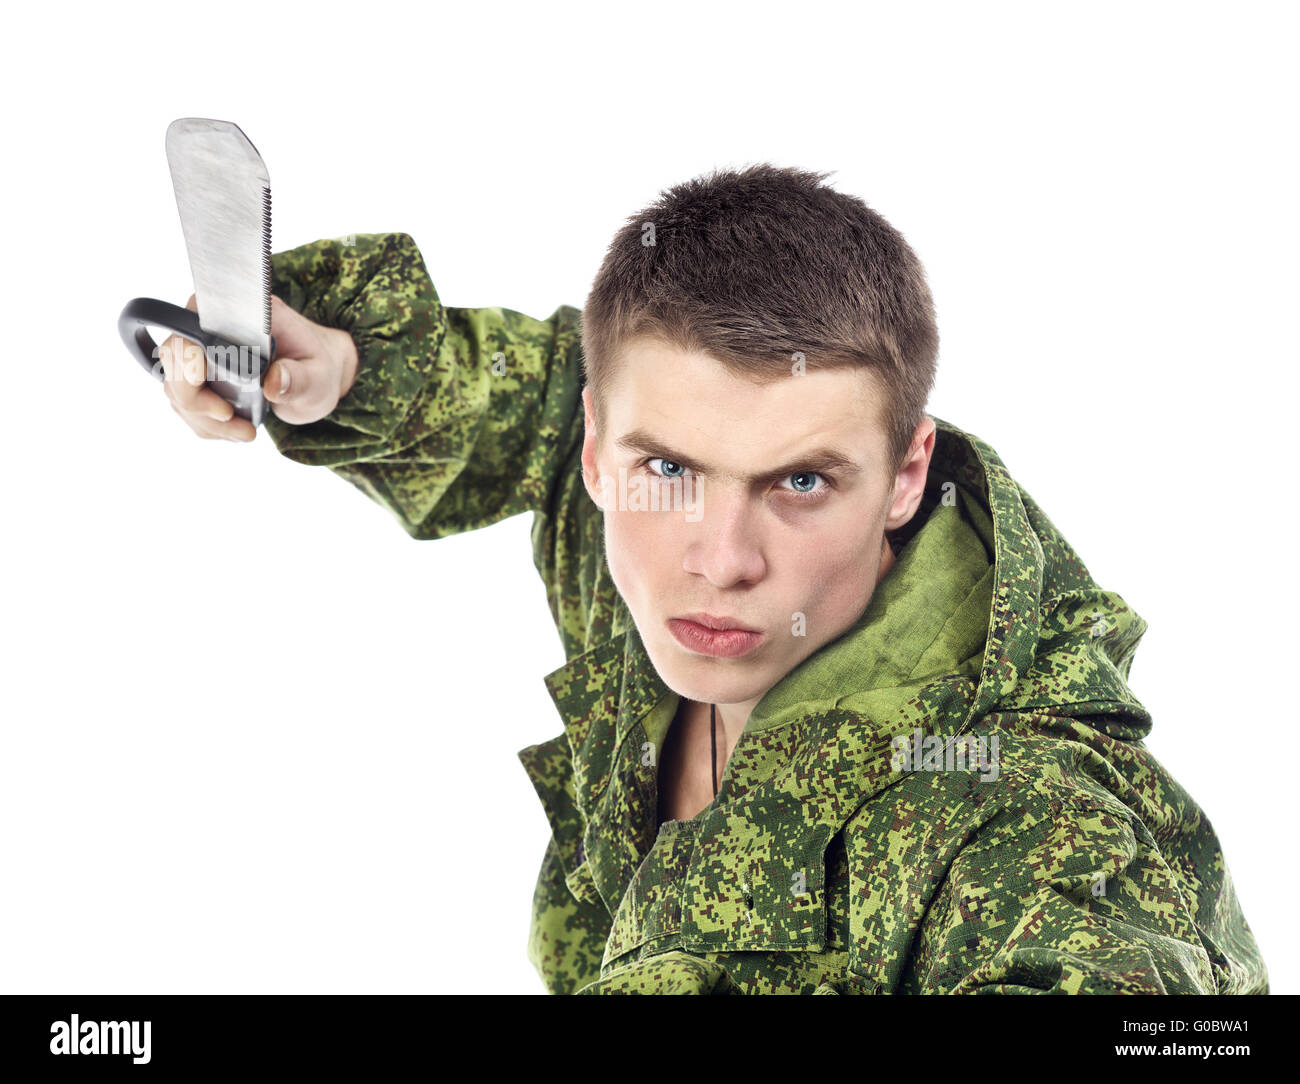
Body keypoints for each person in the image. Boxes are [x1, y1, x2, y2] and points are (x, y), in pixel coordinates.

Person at [158, 164, 1268, 995]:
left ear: (903, 474)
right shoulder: (632, 532)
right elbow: (546, 392)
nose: (723, 560)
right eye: (669, 468)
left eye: (799, 479)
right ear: (601, 451)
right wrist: (345, 369)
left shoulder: (1021, 820)